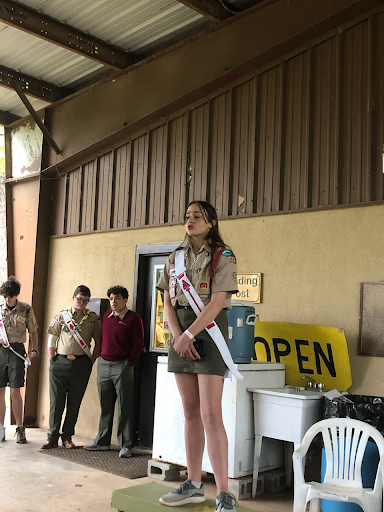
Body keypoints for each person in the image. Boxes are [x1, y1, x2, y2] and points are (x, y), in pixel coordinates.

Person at [156, 200, 239, 512]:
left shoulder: (222, 255)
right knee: (190, 412)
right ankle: (192, 484)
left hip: (210, 329)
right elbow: (166, 300)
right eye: (187, 216)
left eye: (197, 216)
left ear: (211, 222)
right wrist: (178, 335)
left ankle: (224, 492)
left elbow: (218, 301)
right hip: (180, 333)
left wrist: (191, 334)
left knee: (210, 414)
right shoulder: (175, 257)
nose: (190, 220)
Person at [85, 285, 144, 458]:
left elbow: (138, 343)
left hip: (122, 366)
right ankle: (102, 440)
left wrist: (129, 362)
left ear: (125, 300)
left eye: (117, 298)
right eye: (111, 298)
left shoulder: (133, 319)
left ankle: (126, 444)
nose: (113, 302)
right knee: (105, 405)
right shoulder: (106, 317)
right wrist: (100, 358)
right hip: (104, 364)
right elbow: (102, 338)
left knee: (125, 406)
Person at [41, 285, 101, 449]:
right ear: (73, 297)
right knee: (56, 402)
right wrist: (52, 360)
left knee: (74, 402)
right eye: (79, 299)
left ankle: (67, 437)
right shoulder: (62, 316)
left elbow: (99, 341)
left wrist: (91, 361)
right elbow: (52, 339)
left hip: (81, 364)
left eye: (85, 300)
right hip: (60, 363)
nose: (81, 303)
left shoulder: (93, 318)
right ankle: (52, 437)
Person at [0, 277, 38, 444]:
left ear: (16, 294)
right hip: (0, 350)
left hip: (17, 351)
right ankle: (0, 428)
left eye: (11, 296)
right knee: (0, 391)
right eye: (5, 296)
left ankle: (20, 428)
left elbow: (34, 331)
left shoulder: (26, 309)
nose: (8, 299)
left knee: (15, 390)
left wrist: (33, 350)